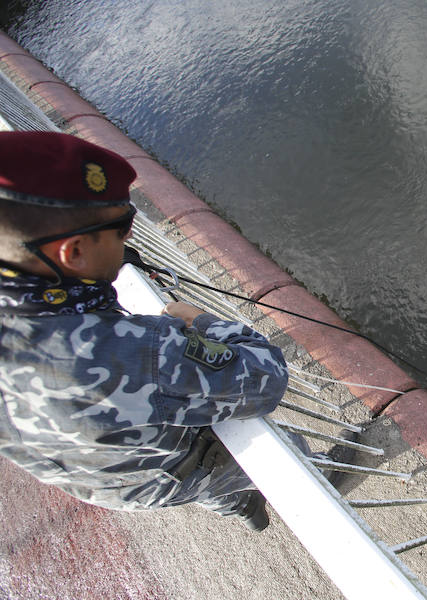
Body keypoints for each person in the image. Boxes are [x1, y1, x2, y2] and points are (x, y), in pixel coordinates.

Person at [0, 131, 289, 531]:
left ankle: (238, 508)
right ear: (74, 252)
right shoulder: (143, 354)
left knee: (210, 487)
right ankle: (253, 496)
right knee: (266, 460)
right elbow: (267, 378)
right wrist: (201, 321)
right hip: (166, 473)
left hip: (93, 482)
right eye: (122, 225)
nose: (130, 236)